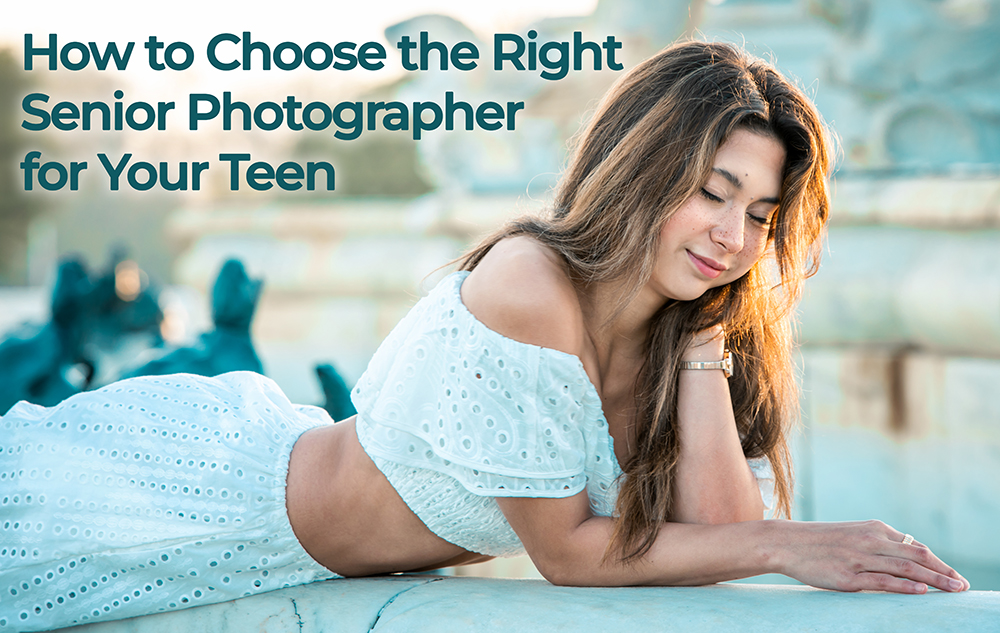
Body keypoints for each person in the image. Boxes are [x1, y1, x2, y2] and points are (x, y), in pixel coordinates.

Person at [0, 40, 968, 632]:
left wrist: (703, 343)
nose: (732, 235)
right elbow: (570, 554)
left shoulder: (687, 333)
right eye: (712, 193)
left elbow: (718, 540)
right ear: (641, 171)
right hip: (192, 502)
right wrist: (797, 546)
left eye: (760, 215)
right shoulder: (528, 283)